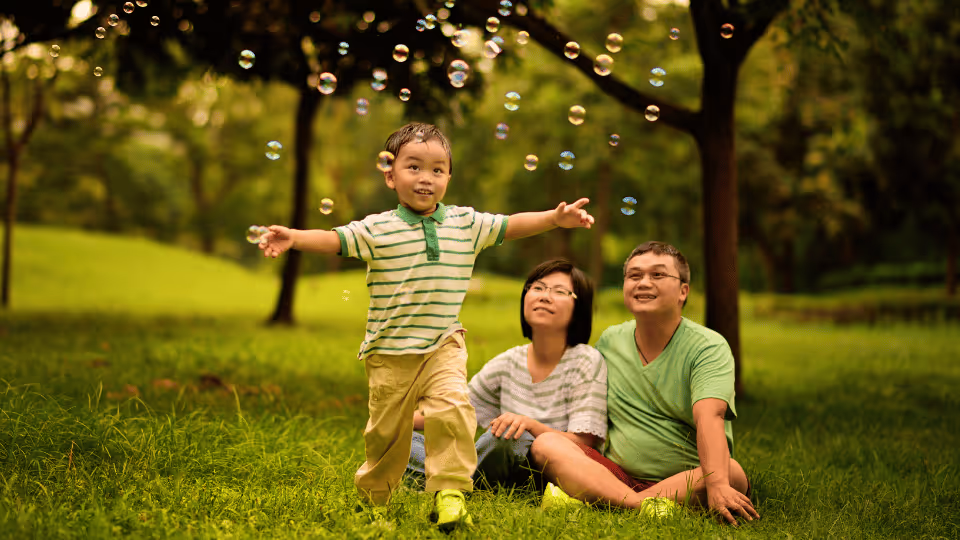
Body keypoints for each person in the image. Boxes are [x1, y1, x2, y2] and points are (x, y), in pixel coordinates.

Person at [257, 122, 595, 531]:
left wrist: (554, 218)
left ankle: (450, 493)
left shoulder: (466, 225)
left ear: (449, 178)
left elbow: (511, 224)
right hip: (389, 352)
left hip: (443, 345)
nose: (426, 178)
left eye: (438, 170)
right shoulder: (376, 229)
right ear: (390, 174)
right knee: (387, 436)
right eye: (414, 167)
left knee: (453, 409)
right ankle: (374, 501)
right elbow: (333, 239)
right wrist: (293, 236)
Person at [530, 241, 760, 527]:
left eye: (658, 275)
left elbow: (709, 418)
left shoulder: (708, 347)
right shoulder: (610, 341)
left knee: (731, 474)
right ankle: (640, 505)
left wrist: (717, 485)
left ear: (683, 291)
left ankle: (605, 500)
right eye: (634, 275)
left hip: (686, 478)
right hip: (613, 473)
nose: (643, 283)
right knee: (546, 445)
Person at [406, 259, 607, 491]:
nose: (544, 296)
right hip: (497, 468)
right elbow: (456, 411)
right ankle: (462, 484)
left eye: (560, 291)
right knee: (406, 442)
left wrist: (529, 425)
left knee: (506, 437)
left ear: (579, 308)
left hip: (547, 473)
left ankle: (450, 482)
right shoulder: (509, 361)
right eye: (538, 288)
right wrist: (397, 422)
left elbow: (584, 445)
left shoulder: (586, 361)